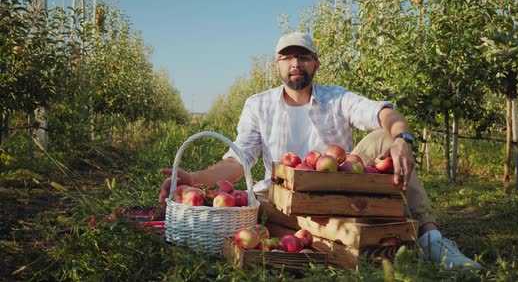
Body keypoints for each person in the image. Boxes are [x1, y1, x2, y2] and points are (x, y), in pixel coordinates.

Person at [159, 32, 482, 270]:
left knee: (386, 135)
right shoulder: (258, 105)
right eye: (287, 58)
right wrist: (192, 178)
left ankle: (432, 239)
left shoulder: (336, 98)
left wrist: (403, 139)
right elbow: (239, 156)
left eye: (303, 57)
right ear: (277, 66)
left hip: (340, 185)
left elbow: (385, 112)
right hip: (285, 194)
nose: (295, 64)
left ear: (316, 63)